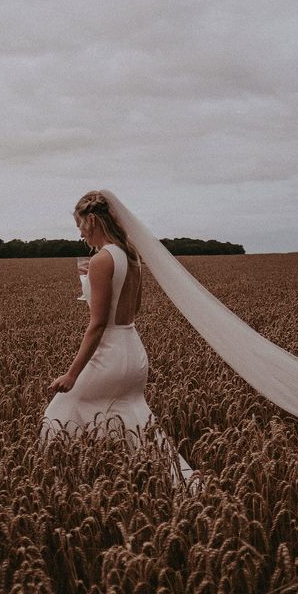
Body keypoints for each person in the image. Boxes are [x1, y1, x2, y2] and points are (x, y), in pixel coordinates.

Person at [40, 191, 193, 485]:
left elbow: (97, 325)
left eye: (80, 226)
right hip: (133, 351)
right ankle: (180, 482)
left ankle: (63, 483)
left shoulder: (101, 260)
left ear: (93, 220)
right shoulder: (132, 256)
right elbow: (134, 308)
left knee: (60, 413)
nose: (81, 235)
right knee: (135, 421)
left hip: (109, 352)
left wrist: (72, 375)